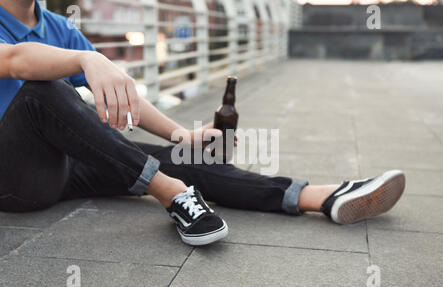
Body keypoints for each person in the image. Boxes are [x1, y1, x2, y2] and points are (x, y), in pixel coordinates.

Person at [0, 0, 406, 246]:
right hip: (13, 179)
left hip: (63, 168)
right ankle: (170, 194)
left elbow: (128, 103)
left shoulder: (59, 26)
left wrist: (182, 135)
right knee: (43, 91)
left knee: (182, 156)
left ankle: (321, 197)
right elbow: (14, 60)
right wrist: (88, 59)